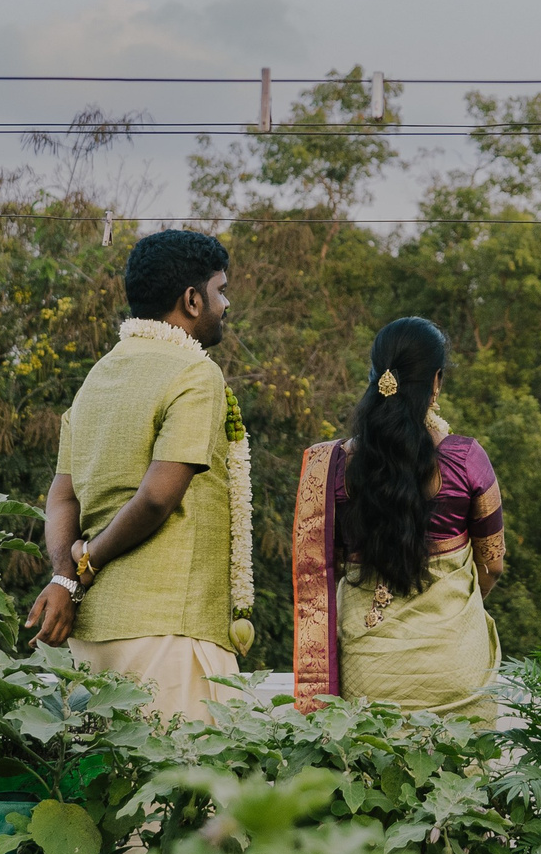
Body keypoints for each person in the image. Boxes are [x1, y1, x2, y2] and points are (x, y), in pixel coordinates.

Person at [25, 227, 253, 722]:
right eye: (221, 290)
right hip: (170, 633)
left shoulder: (97, 376)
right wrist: (81, 570)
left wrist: (68, 579)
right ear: (192, 300)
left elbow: (61, 498)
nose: (226, 303)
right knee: (193, 793)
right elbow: (155, 498)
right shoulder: (196, 373)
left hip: (94, 637)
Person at [291, 317, 504, 720]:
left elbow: (319, 575)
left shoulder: (331, 467)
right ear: (436, 382)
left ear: (374, 377)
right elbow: (492, 563)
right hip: (455, 667)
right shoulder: (467, 459)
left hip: (368, 675)